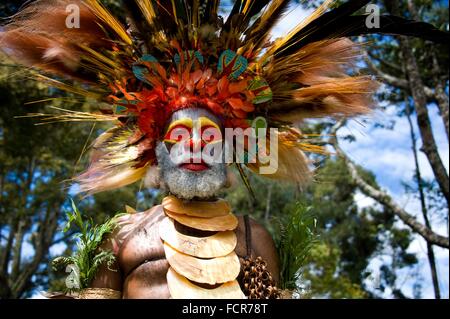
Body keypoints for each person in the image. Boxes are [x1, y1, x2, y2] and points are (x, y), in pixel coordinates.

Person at [1, 0, 446, 299]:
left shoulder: (256, 239)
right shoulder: (123, 235)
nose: (194, 146)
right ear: (156, 147)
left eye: (209, 137)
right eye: (179, 138)